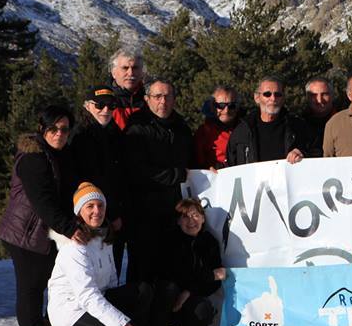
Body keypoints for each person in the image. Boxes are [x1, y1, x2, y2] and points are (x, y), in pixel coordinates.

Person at [0, 106, 79, 326]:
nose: (58, 134)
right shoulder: (34, 157)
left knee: (50, 283)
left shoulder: (57, 154)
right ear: (42, 129)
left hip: (43, 233)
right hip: (26, 233)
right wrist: (70, 228)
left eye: (64, 129)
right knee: (31, 287)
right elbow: (43, 202)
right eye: (52, 128)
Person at [47, 182, 153, 326]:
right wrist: (119, 323)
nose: (97, 211)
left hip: (96, 302)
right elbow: (87, 296)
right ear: (79, 211)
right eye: (90, 206)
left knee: (143, 290)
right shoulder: (74, 249)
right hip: (71, 312)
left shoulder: (103, 238)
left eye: (100, 205)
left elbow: (111, 282)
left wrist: (123, 316)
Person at [125, 79, 193, 283]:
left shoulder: (181, 126)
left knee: (172, 273)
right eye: (157, 96)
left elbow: (191, 162)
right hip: (144, 213)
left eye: (167, 96)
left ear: (174, 99)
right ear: (147, 99)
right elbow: (137, 170)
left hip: (176, 211)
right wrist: (177, 175)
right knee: (144, 277)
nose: (162, 101)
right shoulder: (137, 126)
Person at [70, 85, 130, 277]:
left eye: (111, 105)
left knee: (112, 271)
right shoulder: (80, 136)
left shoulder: (115, 134)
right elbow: (91, 179)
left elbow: (120, 176)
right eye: (100, 105)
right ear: (87, 106)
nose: (105, 110)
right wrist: (110, 213)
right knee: (91, 274)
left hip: (114, 214)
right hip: (92, 216)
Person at [158, 199, 226, 326]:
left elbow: (217, 280)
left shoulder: (209, 242)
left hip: (190, 298)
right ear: (178, 221)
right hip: (167, 301)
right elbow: (174, 274)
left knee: (203, 310)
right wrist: (208, 275)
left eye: (195, 215)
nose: (191, 221)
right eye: (185, 217)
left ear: (203, 218)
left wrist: (188, 292)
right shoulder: (169, 241)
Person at [227, 77, 310, 166]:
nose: (273, 98)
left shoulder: (298, 127)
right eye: (267, 94)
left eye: (278, 94)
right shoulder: (242, 130)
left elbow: (316, 152)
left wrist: (302, 153)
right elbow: (230, 164)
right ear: (257, 98)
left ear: (283, 98)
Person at [193, 85, 240, 170]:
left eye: (231, 106)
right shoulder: (204, 132)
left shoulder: (245, 129)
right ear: (212, 106)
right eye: (221, 105)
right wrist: (208, 167)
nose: (226, 110)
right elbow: (195, 163)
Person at [108, 48, 146, 131]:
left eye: (135, 68)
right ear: (113, 73)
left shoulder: (152, 98)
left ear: (142, 72)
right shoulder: (103, 101)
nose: (130, 73)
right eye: (125, 68)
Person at [302, 77, 335, 158]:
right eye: (314, 95)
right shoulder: (298, 124)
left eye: (324, 94)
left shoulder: (343, 121)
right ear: (307, 97)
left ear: (332, 95)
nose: (319, 100)